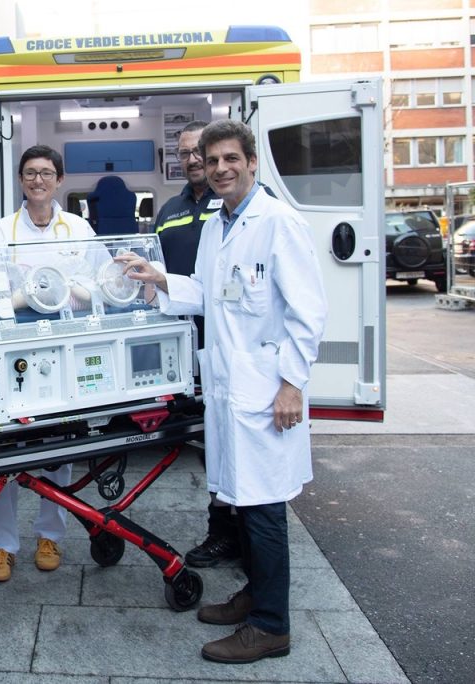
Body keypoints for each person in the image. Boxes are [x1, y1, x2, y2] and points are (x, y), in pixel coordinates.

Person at [116, 119, 326, 664]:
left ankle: (271, 626)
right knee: (239, 501)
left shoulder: (277, 222)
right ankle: (257, 596)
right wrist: (156, 277)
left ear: (252, 163)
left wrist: (292, 385)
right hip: (231, 391)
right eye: (212, 162)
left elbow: (309, 313)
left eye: (231, 159)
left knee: (264, 509)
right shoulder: (217, 224)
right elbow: (208, 293)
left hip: (267, 390)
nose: (221, 169)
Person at [0, 144, 97, 583]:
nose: (38, 180)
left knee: (58, 449)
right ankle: (1, 547)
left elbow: (94, 288)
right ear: (21, 179)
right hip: (14, 349)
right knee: (5, 452)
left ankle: (50, 534)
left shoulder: (80, 228)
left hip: (62, 349)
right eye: (30, 173)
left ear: (59, 180)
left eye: (46, 173)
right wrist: (24, 294)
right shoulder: (0, 231)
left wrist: (67, 289)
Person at [154, 121, 241, 569]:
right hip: (182, 343)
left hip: (226, 342)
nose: (193, 161)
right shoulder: (168, 210)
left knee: (232, 445)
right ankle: (222, 530)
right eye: (187, 154)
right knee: (214, 443)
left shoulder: (229, 208)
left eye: (199, 153)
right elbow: (160, 269)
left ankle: (237, 534)